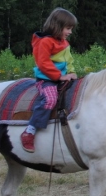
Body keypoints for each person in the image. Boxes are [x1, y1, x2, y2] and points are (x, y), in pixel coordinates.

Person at [20, 8, 78, 152]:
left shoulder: (64, 43)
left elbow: (69, 60)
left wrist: (71, 72)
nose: (70, 32)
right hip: (47, 79)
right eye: (68, 28)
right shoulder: (44, 42)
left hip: (61, 78)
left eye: (71, 29)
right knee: (50, 100)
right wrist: (59, 76)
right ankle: (29, 131)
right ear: (57, 26)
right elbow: (43, 63)